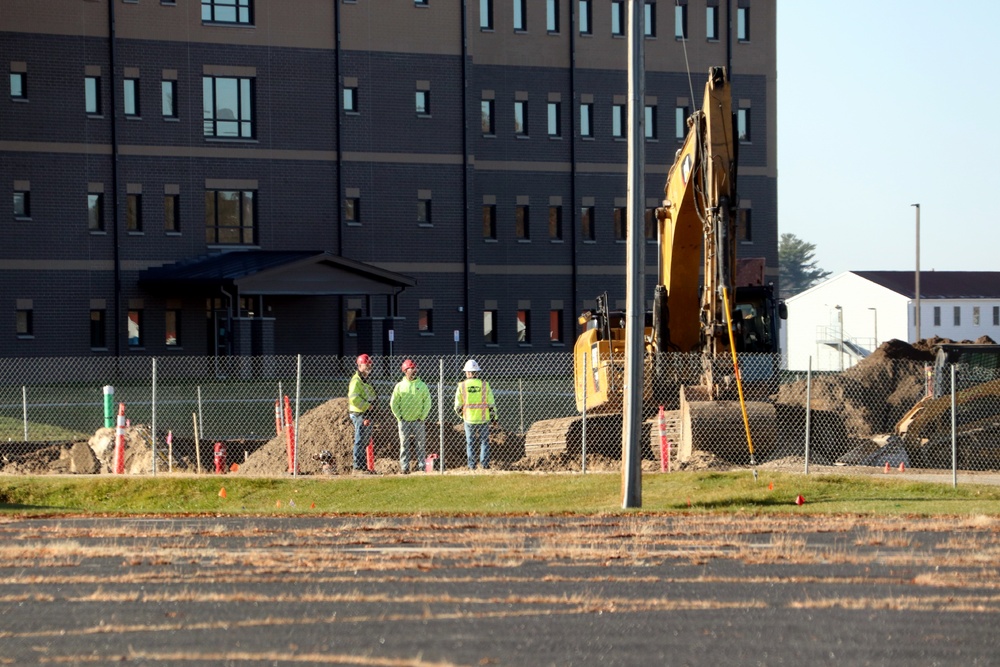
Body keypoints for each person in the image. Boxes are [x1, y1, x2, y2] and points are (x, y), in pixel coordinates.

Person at [390, 359, 432, 474]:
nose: (414, 370)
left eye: (414, 368)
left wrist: (422, 417)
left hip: (418, 421)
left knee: (420, 444)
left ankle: (421, 467)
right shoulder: (399, 386)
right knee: (404, 445)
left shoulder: (422, 385)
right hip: (404, 421)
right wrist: (399, 417)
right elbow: (394, 403)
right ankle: (404, 467)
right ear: (405, 371)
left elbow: (427, 402)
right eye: (411, 368)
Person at [454, 359, 497, 470]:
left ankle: (471, 466)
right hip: (483, 418)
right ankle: (484, 465)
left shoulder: (462, 386)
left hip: (469, 419)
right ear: (477, 372)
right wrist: (494, 418)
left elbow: (457, 406)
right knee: (484, 442)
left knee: (470, 443)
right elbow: (491, 404)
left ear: (468, 373)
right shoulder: (484, 385)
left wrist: (463, 416)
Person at [347, 353, 377, 474]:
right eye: (366, 364)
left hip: (366, 413)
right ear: (359, 365)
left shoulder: (365, 380)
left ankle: (363, 467)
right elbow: (353, 398)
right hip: (359, 413)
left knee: (364, 440)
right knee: (360, 440)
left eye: (369, 364)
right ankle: (357, 467)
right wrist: (367, 405)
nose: (369, 366)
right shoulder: (356, 381)